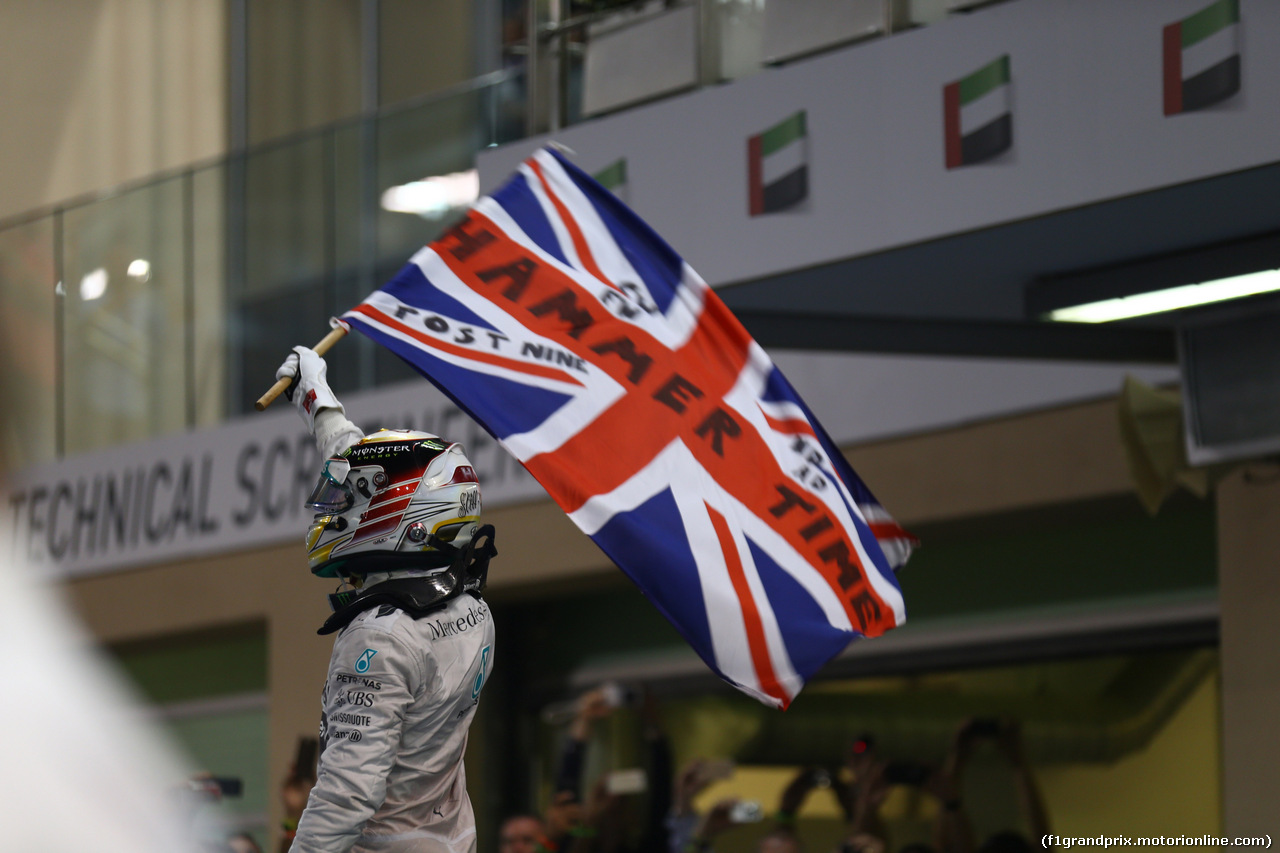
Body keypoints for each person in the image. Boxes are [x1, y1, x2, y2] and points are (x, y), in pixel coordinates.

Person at [275, 345, 500, 853]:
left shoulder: (379, 635)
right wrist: (316, 398)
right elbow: (366, 468)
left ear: (402, 513)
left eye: (348, 502)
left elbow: (346, 795)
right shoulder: (472, 607)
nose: (334, 510)